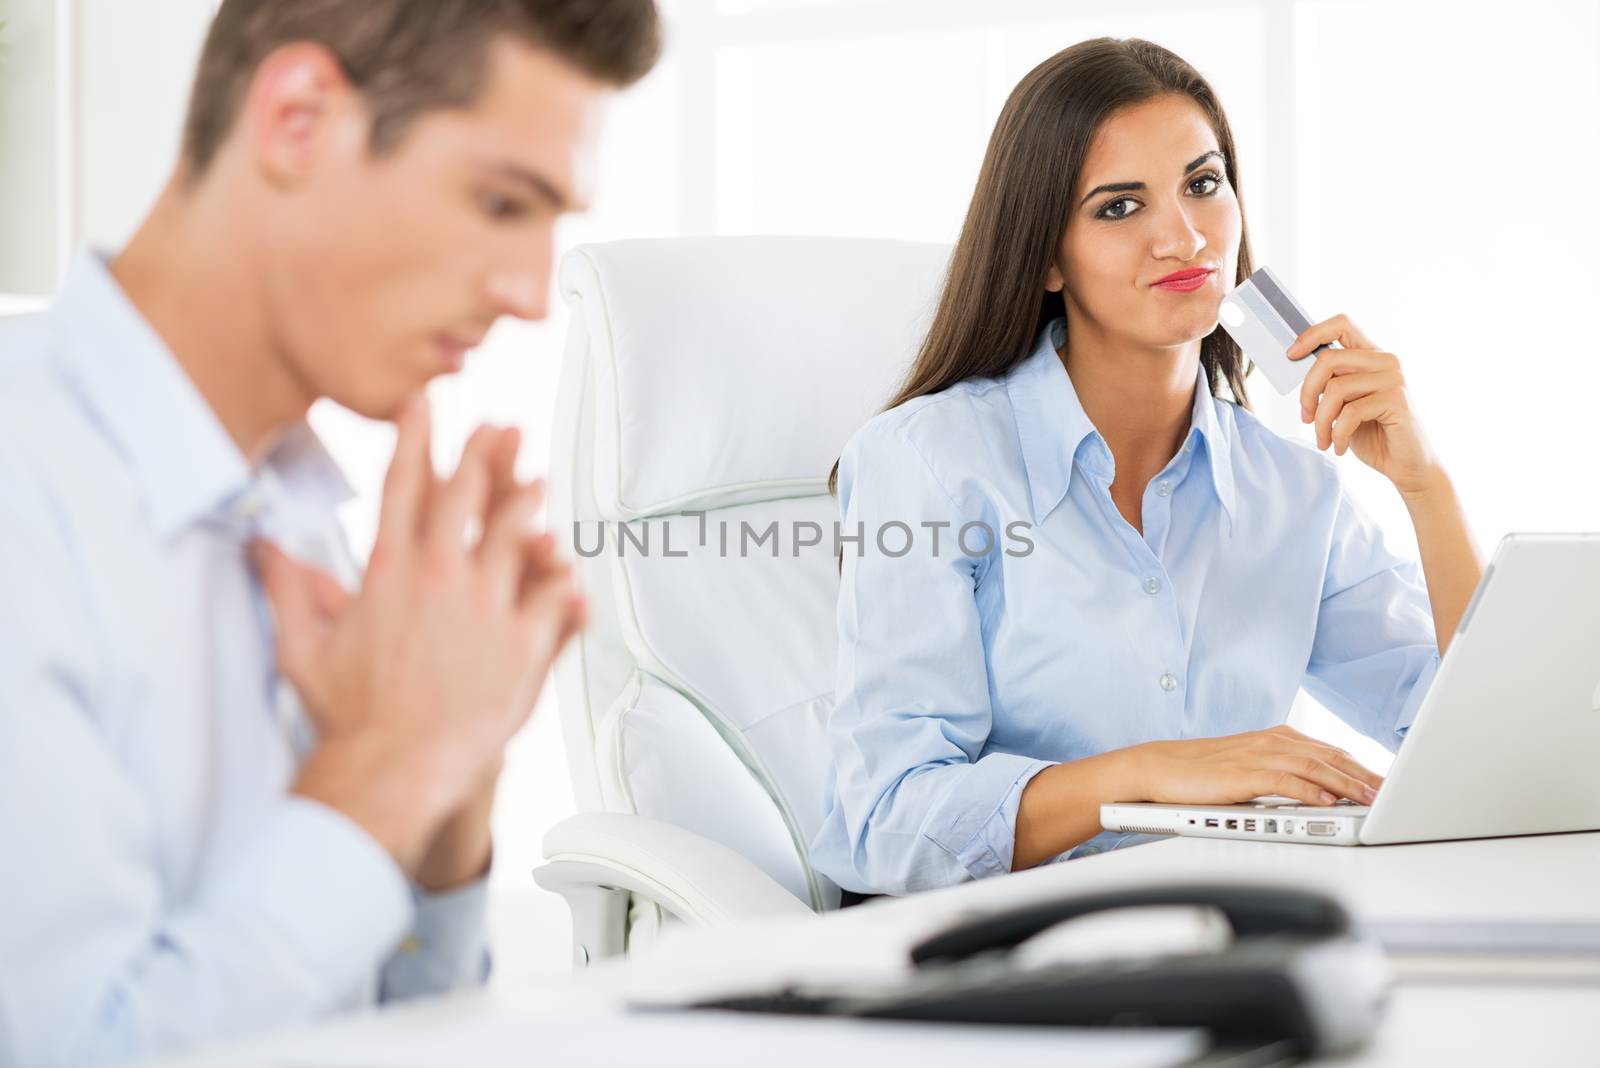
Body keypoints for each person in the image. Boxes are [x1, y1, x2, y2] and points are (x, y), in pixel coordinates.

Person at [0, 1, 658, 1063]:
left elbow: (380, 1030)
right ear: (297, 119)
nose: (533, 295)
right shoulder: (23, 502)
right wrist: (388, 766)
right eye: (500, 201)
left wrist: (448, 812)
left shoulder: (304, 517)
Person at [810, 37, 1484, 898]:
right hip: (1000, 957)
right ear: (1047, 257)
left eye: (1204, 185)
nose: (1186, 236)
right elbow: (883, 822)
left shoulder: (1290, 489)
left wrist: (1427, 488)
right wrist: (1152, 778)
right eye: (1120, 207)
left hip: (1222, 929)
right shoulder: (932, 464)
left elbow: (1474, 741)